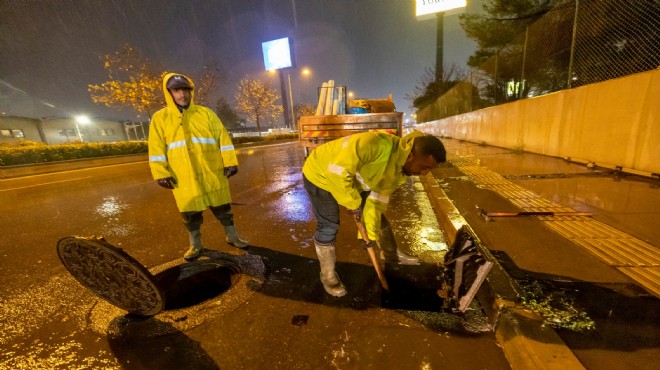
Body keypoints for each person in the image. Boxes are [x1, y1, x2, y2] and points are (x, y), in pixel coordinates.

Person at [302, 131, 446, 297]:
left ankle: (391, 254)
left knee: (378, 218)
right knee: (329, 225)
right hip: (321, 175)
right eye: (424, 167)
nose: (424, 173)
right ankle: (327, 274)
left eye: (429, 169)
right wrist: (352, 203)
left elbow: (376, 204)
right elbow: (336, 172)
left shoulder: (399, 172)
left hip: (352, 180)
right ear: (411, 155)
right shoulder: (374, 144)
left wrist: (368, 235)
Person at [149, 73, 248, 261]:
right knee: (190, 214)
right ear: (168, 93)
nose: (182, 94)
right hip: (184, 177)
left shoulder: (206, 114)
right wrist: (160, 173)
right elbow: (155, 148)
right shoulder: (160, 118)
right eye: (177, 90)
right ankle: (196, 245)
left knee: (223, 209)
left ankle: (233, 237)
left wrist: (230, 161)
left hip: (212, 172)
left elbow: (223, 139)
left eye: (185, 89)